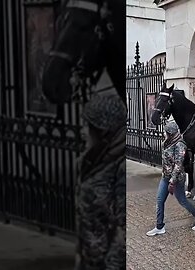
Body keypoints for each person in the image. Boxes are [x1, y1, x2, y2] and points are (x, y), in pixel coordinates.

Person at [75, 94, 126, 270]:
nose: (82, 132)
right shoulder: (97, 159)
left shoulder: (120, 167)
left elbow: (124, 232)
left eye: (86, 126)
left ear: (101, 130)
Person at [146, 121, 195, 236]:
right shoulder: (167, 142)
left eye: (166, 132)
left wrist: (172, 181)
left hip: (177, 179)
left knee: (183, 201)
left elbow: (178, 165)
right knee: (160, 200)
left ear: (170, 133)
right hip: (165, 176)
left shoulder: (180, 145)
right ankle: (159, 226)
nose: (164, 134)